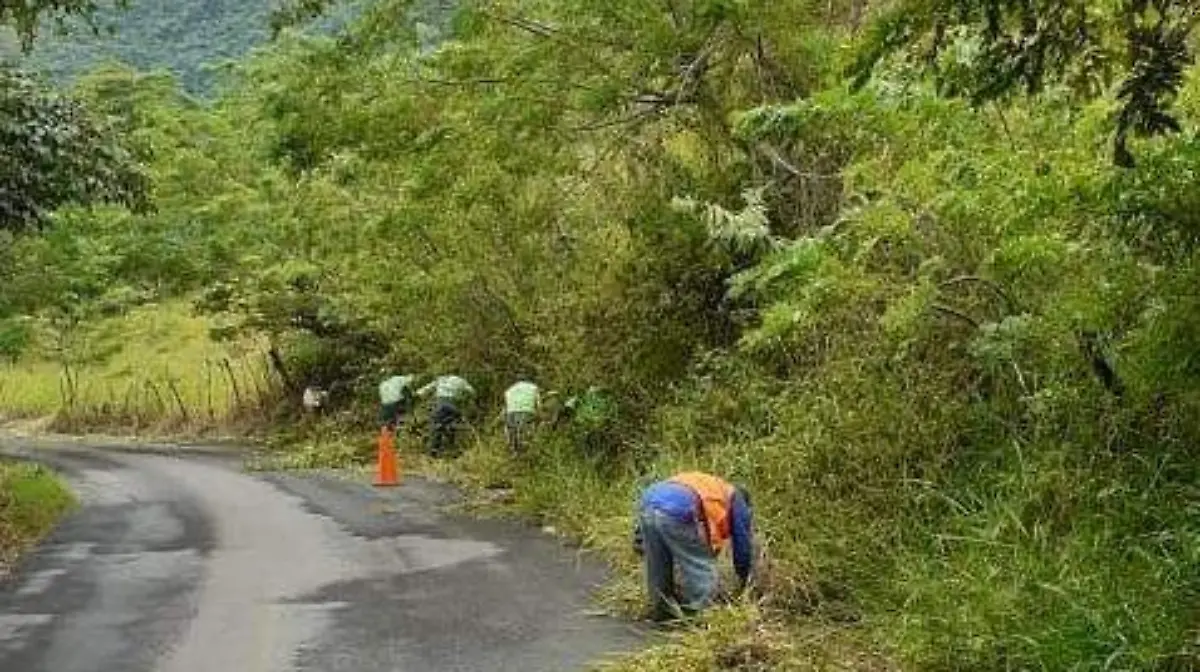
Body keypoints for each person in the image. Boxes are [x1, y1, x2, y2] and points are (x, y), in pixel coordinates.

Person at [633, 472, 755, 621]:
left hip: (648, 503)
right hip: (676, 508)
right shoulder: (736, 498)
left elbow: (662, 498)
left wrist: (640, 537)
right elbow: (742, 545)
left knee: (658, 565)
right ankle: (703, 615)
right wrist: (745, 578)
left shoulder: (707, 485)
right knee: (701, 567)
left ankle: (661, 609)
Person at [417, 374, 475, 457]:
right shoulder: (461, 380)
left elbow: (424, 390)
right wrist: (466, 398)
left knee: (436, 426)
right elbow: (472, 391)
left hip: (440, 404)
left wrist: (417, 395)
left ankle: (433, 451)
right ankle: (452, 447)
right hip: (453, 406)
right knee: (452, 425)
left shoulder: (441, 379)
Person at [503, 377, 540, 454]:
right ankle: (525, 454)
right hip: (527, 411)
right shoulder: (533, 387)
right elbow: (538, 404)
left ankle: (513, 453)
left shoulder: (510, 389)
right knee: (525, 435)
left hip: (511, 412)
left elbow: (505, 406)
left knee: (513, 435)